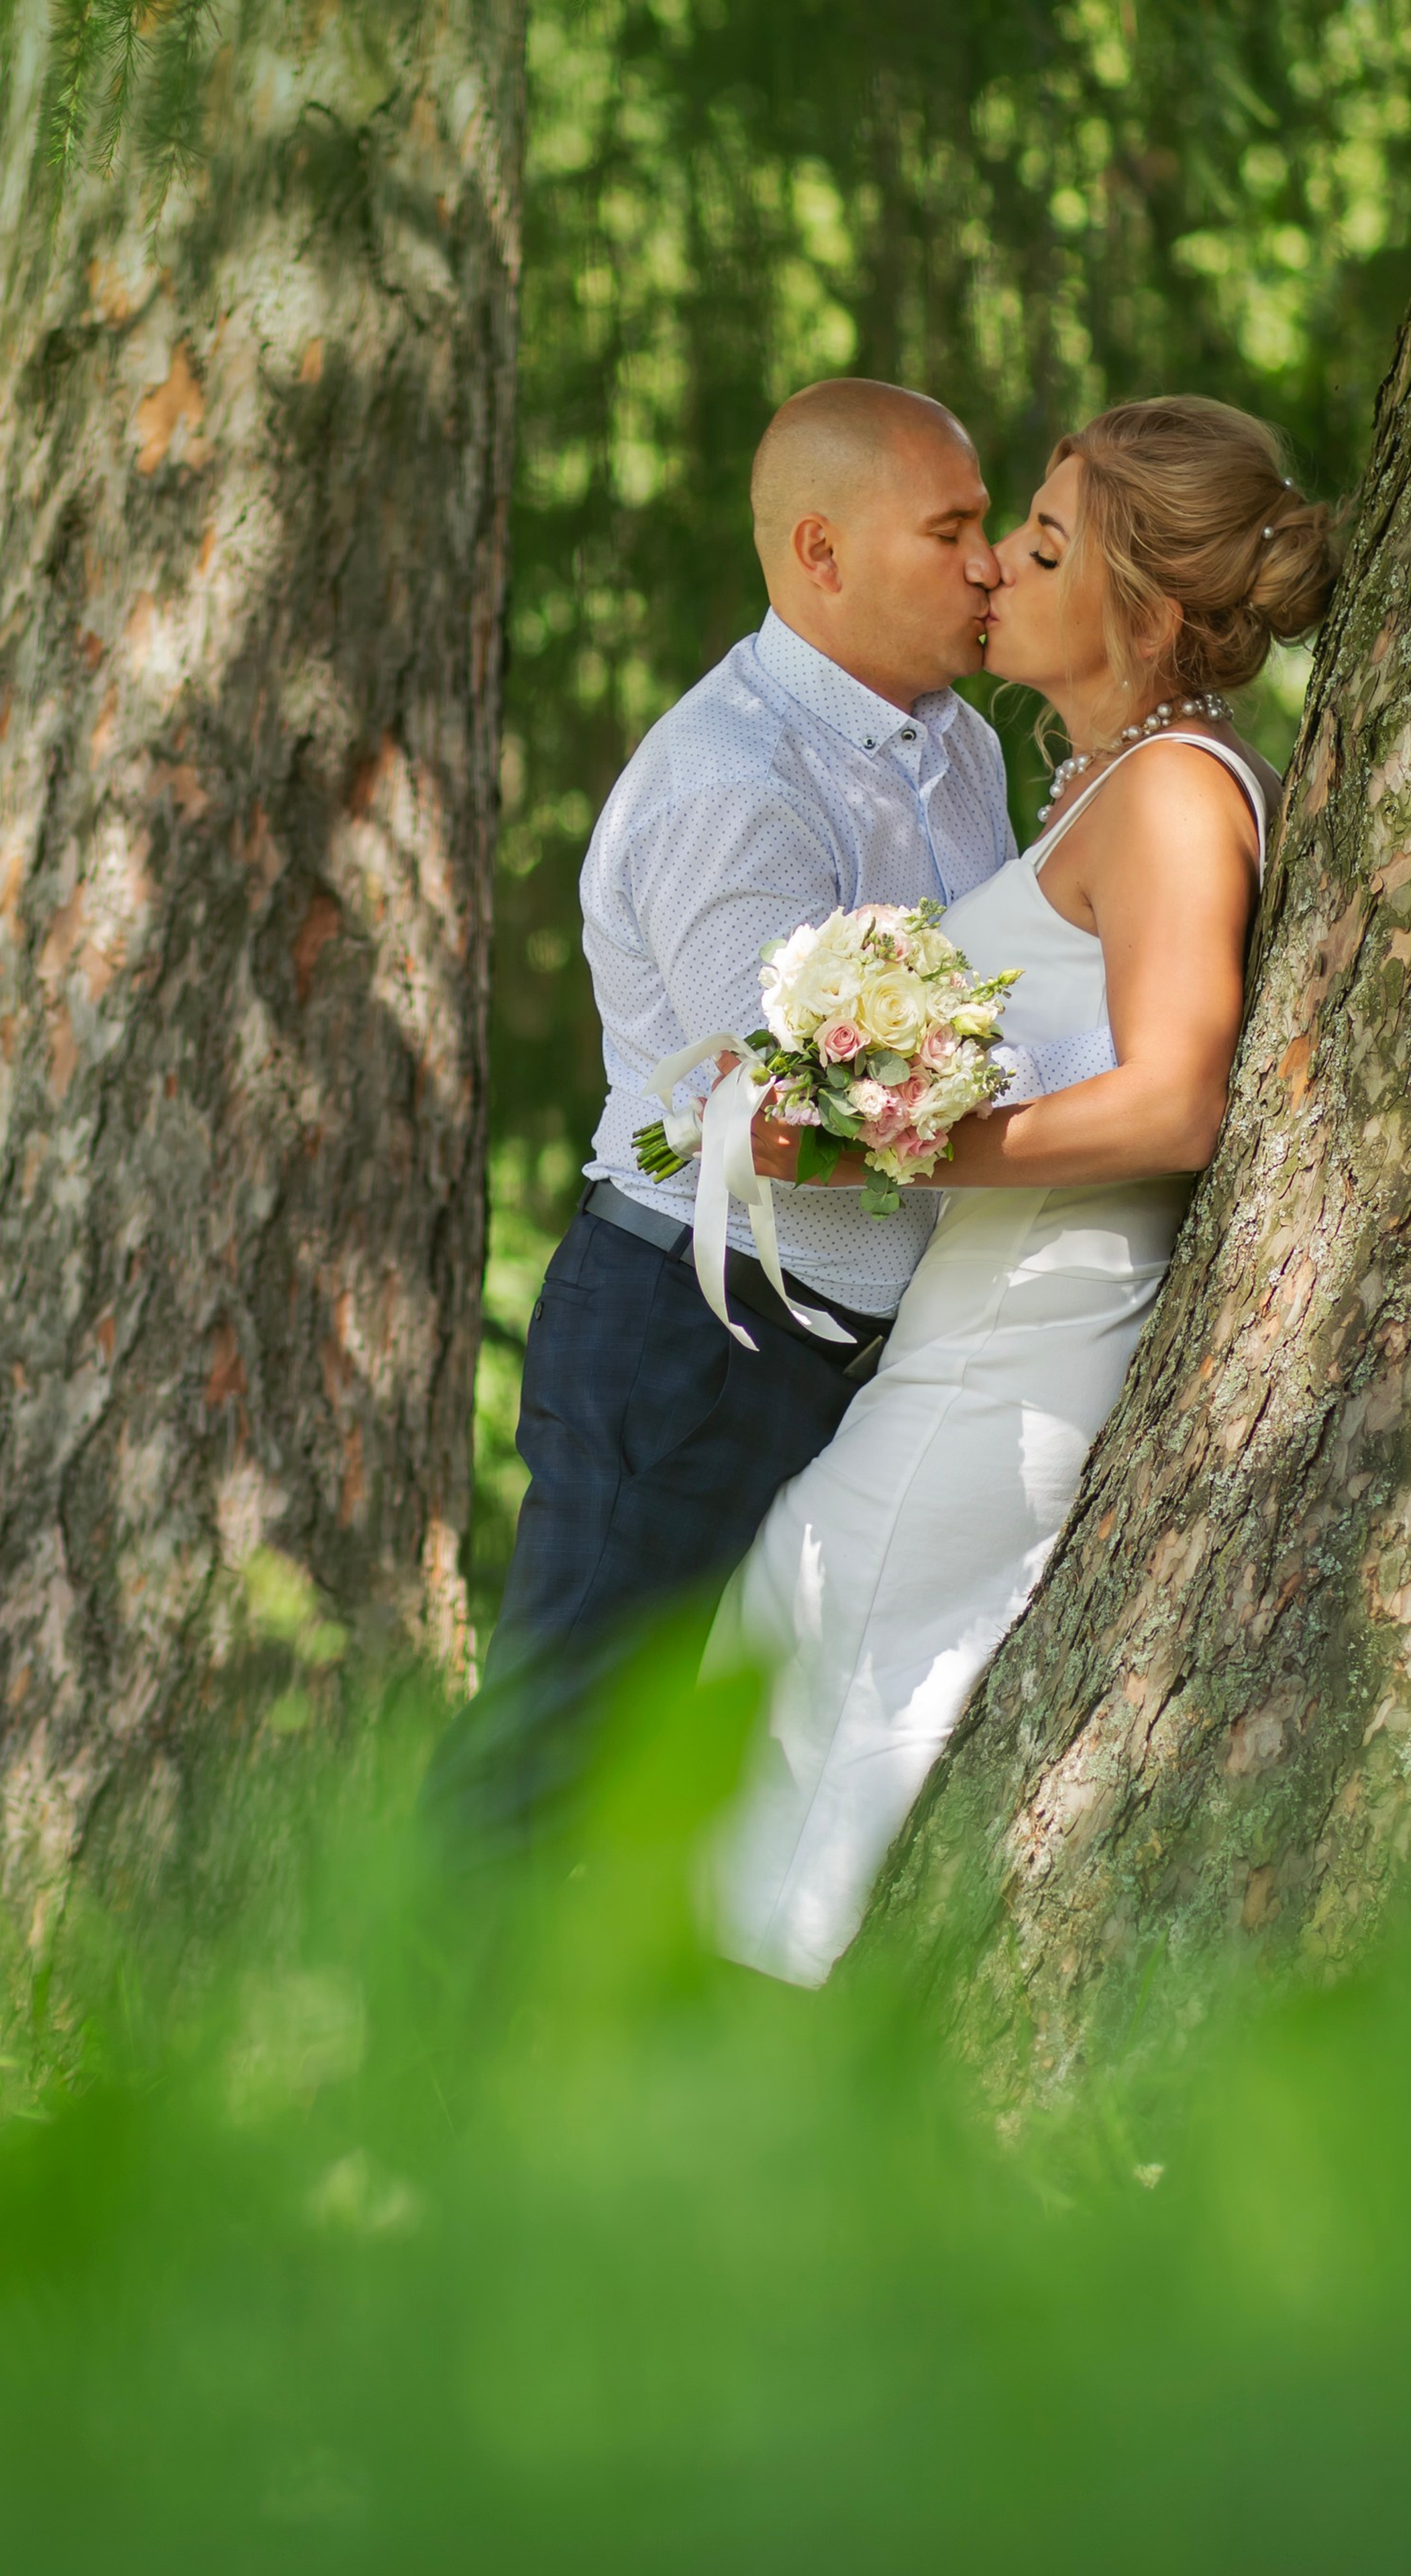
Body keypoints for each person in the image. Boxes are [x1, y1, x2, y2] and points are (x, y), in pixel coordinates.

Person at [710, 394, 1339, 1986]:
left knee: (810, 1683)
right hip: (974, 1321)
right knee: (787, 1664)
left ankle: (746, 2064)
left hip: (1029, 1344)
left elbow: (1174, 1104)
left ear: (1145, 610)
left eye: (1043, 548)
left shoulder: (1175, 792)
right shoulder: (1096, 782)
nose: (992, 562)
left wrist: (881, 1142)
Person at [427, 378, 1084, 1851]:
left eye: (985, 526)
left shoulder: (964, 746)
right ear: (819, 552)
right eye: (949, 531)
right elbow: (782, 1126)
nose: (987, 564)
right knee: (558, 1753)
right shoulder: (729, 783)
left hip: (865, 1353)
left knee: (728, 1796)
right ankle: (414, 2006)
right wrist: (1105, 1134)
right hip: (692, 1338)